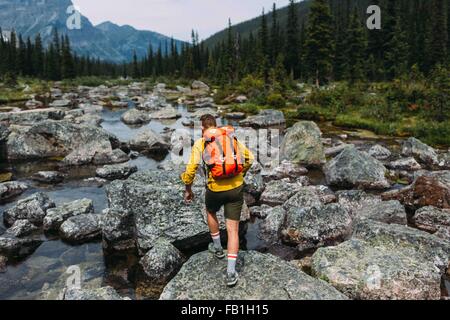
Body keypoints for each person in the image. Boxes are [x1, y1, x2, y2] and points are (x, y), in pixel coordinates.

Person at [181, 114, 254, 287]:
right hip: (236, 189)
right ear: (216, 125)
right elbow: (249, 158)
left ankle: (217, 248)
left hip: (215, 190)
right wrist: (240, 175)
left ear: (202, 128)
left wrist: (188, 189)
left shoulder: (201, 143)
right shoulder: (230, 138)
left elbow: (191, 169)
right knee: (233, 230)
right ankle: (230, 272)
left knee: (210, 211)